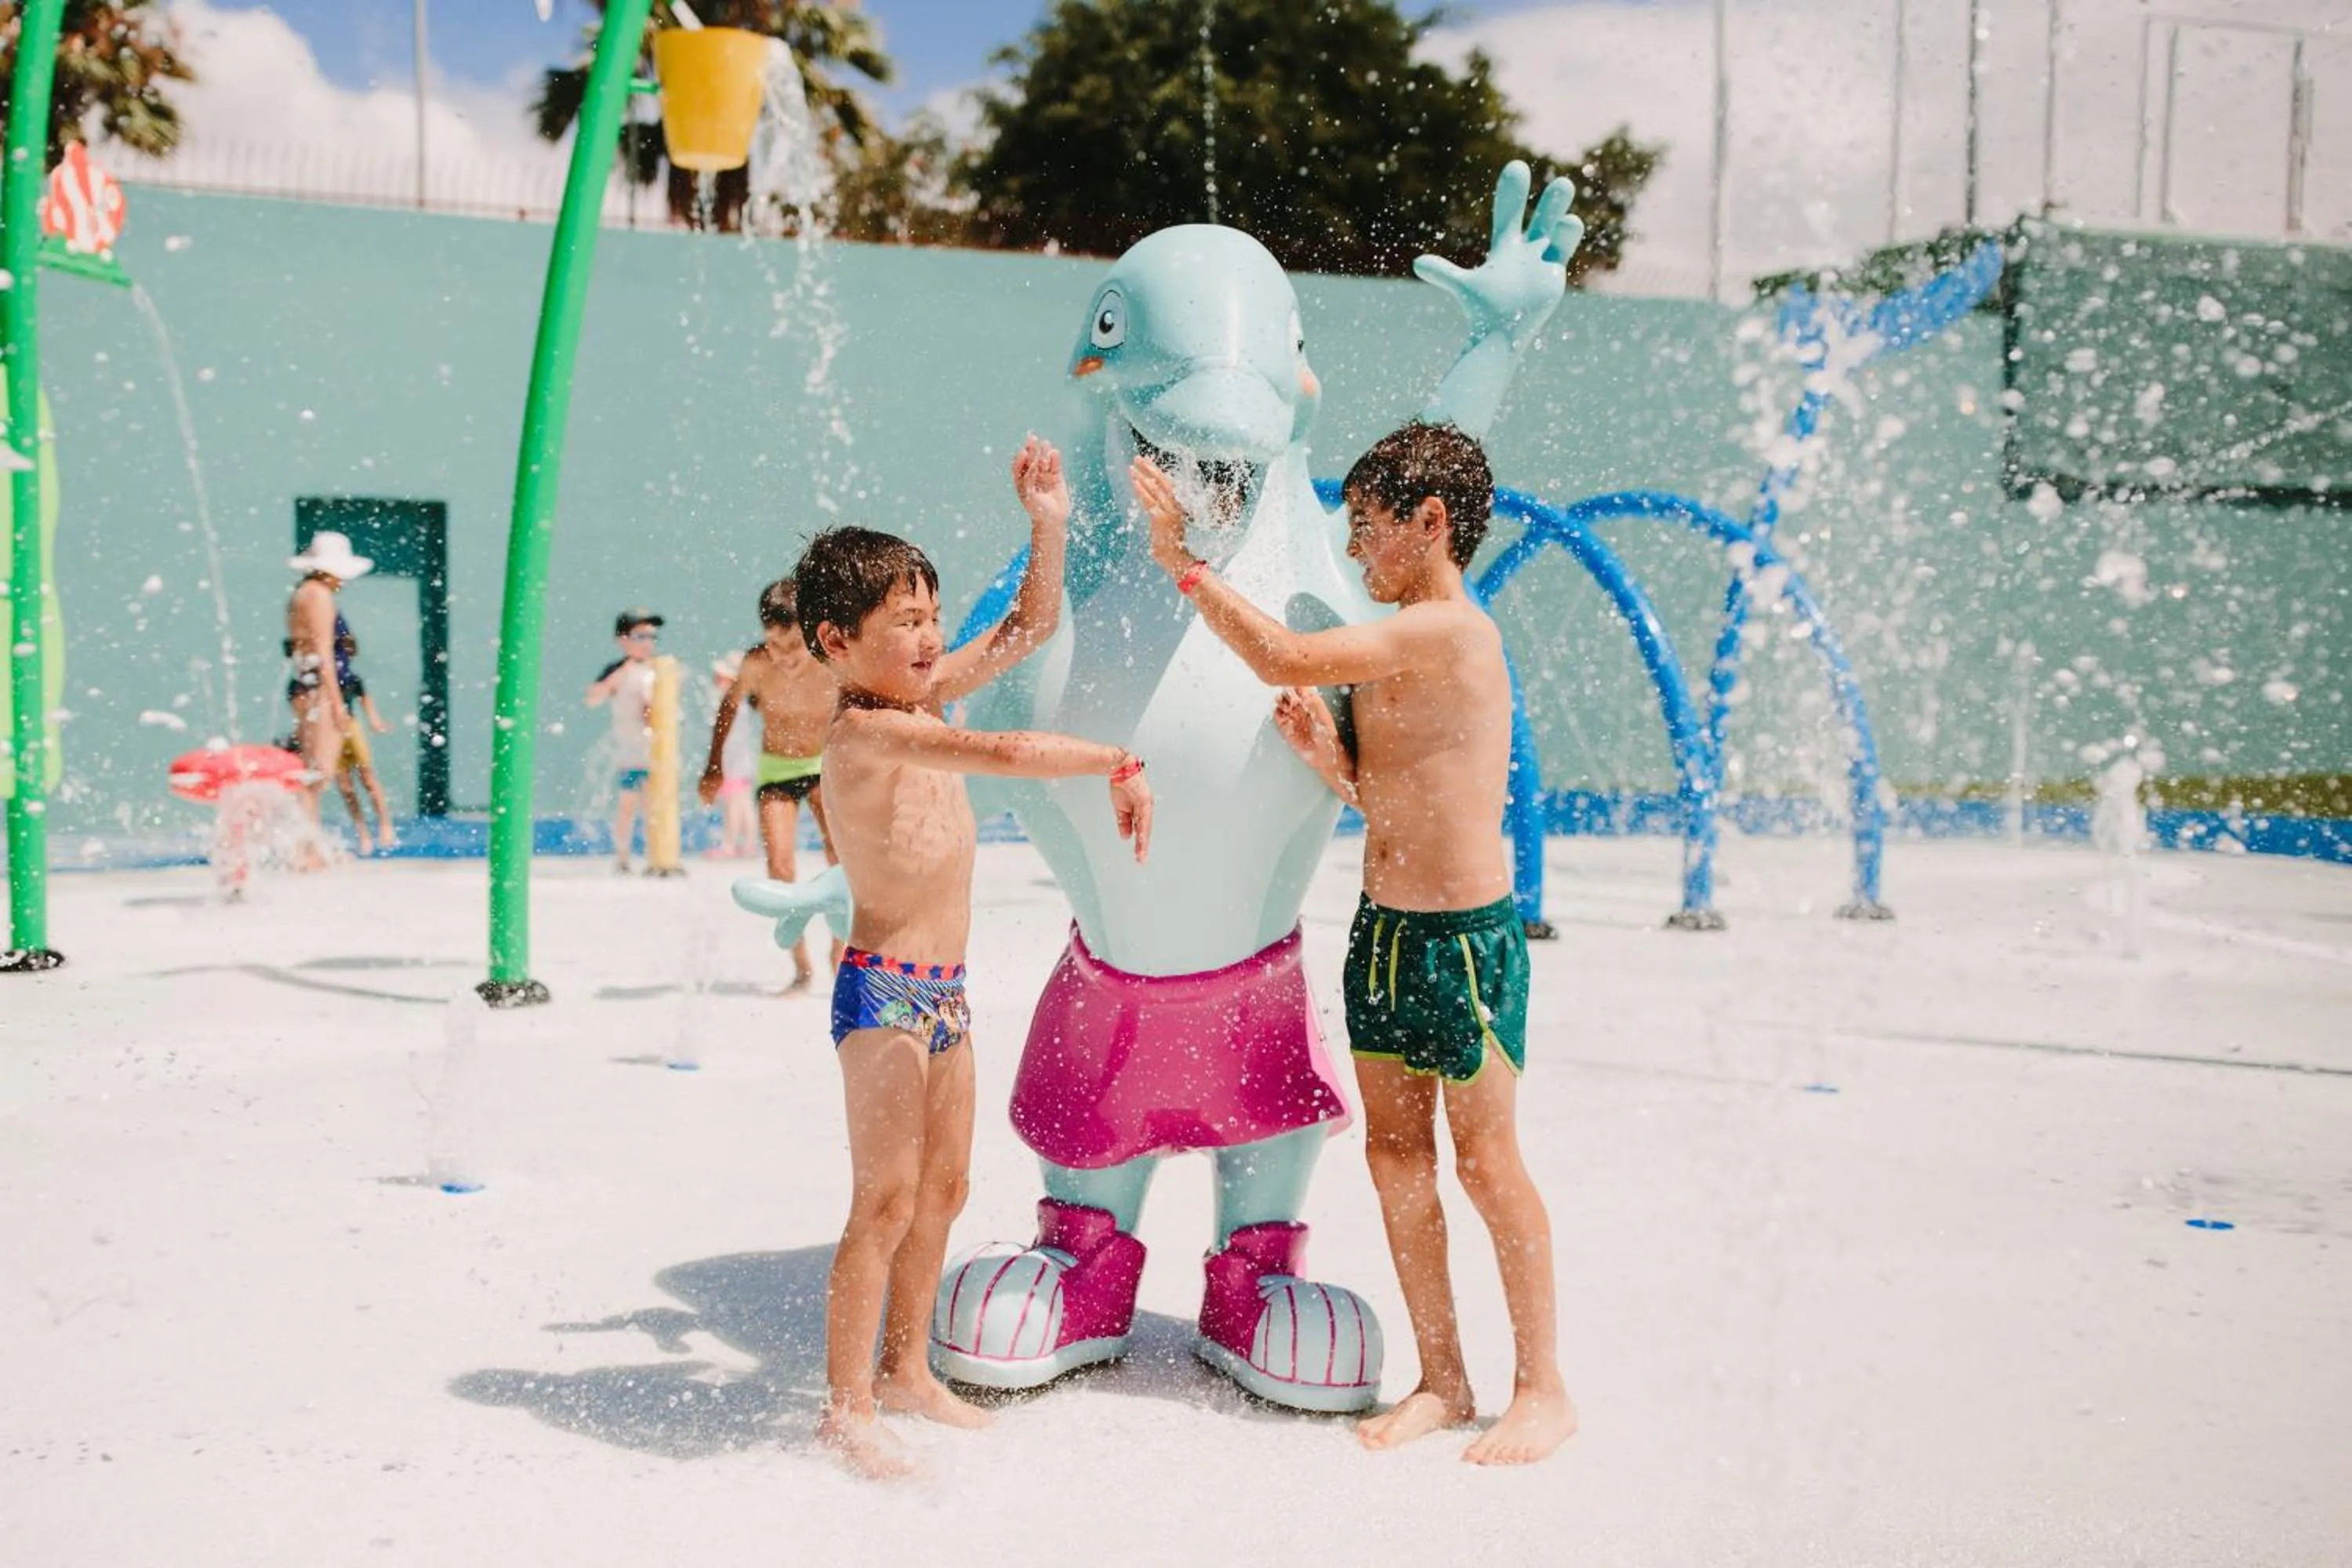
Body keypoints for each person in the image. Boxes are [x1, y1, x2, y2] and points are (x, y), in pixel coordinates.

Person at [1132, 420, 1575, 1466]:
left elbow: (1282, 653)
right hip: (1382, 933)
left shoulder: (1454, 634)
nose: (1362, 550)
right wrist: (1334, 759)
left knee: (1487, 1162)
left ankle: (1544, 1387)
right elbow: (1395, 802)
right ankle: (1445, 1374)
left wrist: (1184, 564)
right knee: (1393, 1157)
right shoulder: (1397, 646)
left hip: (1464, 945)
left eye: (1374, 530)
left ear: (1431, 524)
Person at [793, 435, 1152, 1479]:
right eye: (902, 622)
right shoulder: (868, 734)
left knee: (944, 1189)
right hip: (885, 995)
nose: (927, 636)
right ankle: (847, 1405)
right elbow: (1001, 753)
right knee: (886, 1202)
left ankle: (907, 1368)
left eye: (930, 616)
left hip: (947, 993)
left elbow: (1031, 626)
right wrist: (1116, 761)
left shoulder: (922, 696)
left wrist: (1044, 524)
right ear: (837, 639)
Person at [699, 579, 840, 989]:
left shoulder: (832, 662)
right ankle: (801, 968)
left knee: (840, 858)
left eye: (794, 645)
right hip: (777, 770)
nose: (785, 657)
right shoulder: (756, 663)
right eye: (776, 645)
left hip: (822, 768)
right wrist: (713, 768)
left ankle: (840, 947)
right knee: (780, 867)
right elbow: (728, 707)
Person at [284, 532, 372, 863]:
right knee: (316, 774)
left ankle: (304, 846)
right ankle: (305, 852)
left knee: (310, 770)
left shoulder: (300, 594)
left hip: (302, 686)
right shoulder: (320, 596)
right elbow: (323, 650)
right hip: (319, 690)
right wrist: (337, 705)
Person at [586, 608, 662, 874]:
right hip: (630, 753)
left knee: (655, 807)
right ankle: (623, 856)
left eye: (652, 636)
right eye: (640, 636)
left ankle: (657, 855)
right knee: (628, 806)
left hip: (656, 752)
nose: (647, 643)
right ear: (623, 639)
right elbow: (592, 699)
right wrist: (617, 678)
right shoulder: (617, 671)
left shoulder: (660, 670)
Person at [332, 630, 397, 855]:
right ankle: (363, 831)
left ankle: (385, 824)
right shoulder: (324, 678)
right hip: (331, 734)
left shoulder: (351, 679)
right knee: (346, 787)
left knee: (367, 778)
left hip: (350, 728)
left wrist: (376, 722)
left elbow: (366, 704)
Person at [705, 652, 760, 860]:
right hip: (740, 761)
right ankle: (748, 845)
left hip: (734, 763)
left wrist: (720, 763)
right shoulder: (741, 703)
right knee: (743, 804)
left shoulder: (732, 704)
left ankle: (730, 844)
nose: (716, 680)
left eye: (720, 677)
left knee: (734, 804)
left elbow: (729, 739)